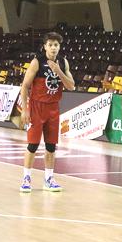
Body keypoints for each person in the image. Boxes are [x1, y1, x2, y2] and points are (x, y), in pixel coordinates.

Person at [19, 31, 75, 193]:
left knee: (51, 147)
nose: (53, 48)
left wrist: (58, 71)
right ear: (44, 47)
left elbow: (71, 86)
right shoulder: (37, 62)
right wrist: (25, 109)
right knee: (32, 145)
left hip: (53, 108)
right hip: (37, 108)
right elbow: (25, 86)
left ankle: (49, 179)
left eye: (56, 45)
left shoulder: (63, 63)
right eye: (50, 45)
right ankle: (26, 178)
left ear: (59, 47)